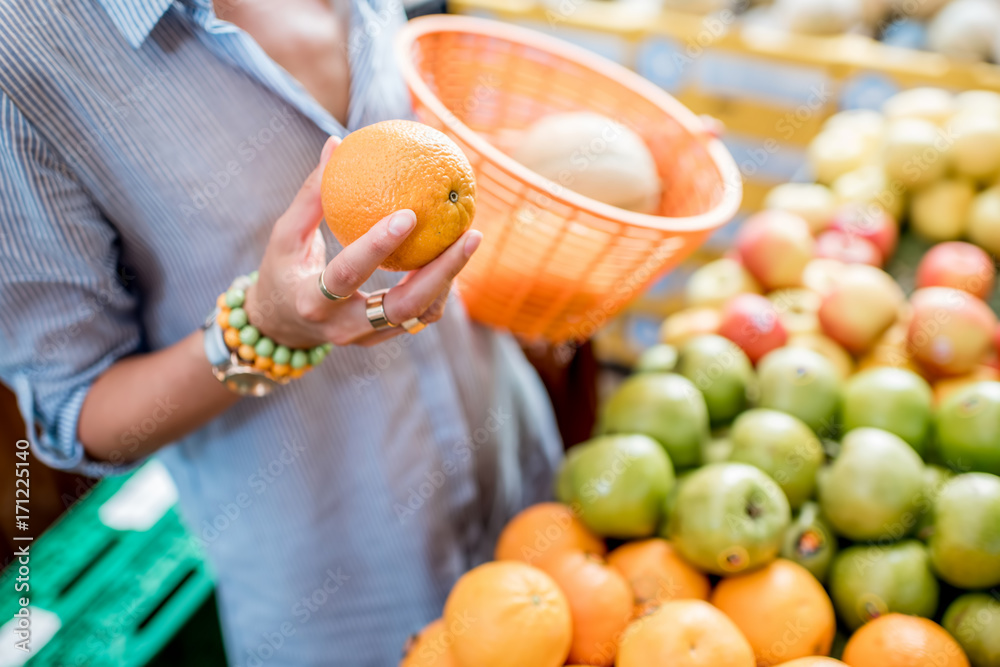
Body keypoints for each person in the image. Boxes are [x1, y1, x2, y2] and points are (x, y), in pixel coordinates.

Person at [0, 0, 562, 664]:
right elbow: (76, 411)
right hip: (339, 584)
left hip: (521, 481)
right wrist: (265, 329)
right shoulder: (24, 54)